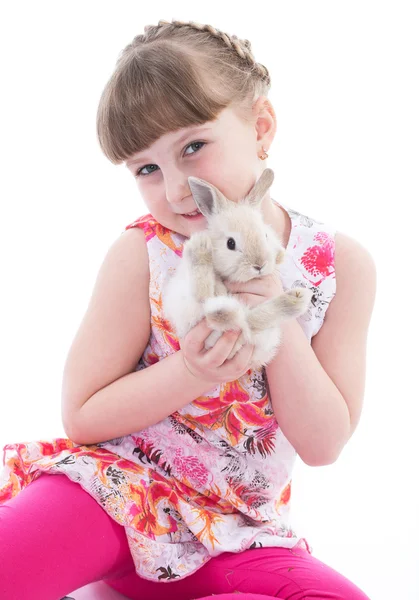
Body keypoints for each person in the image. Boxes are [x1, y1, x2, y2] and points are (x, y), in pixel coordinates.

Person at [0, 19, 376, 600]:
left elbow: (324, 445)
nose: (175, 189)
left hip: (232, 532)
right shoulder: (145, 252)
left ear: (261, 126)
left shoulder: (338, 265)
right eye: (147, 169)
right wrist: (192, 372)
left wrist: (273, 311)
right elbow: (83, 416)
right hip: (114, 494)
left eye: (193, 148)